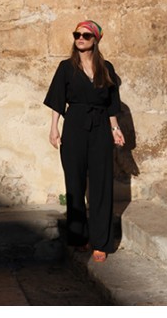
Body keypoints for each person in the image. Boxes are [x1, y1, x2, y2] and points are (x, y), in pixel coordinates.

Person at [43, 20, 125, 263]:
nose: (80, 38)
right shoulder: (66, 67)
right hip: (75, 126)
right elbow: (58, 99)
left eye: (86, 35)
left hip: (100, 128)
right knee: (75, 184)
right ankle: (79, 237)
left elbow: (111, 104)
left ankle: (101, 242)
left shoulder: (106, 68)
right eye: (77, 34)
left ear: (95, 40)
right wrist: (54, 128)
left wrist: (115, 129)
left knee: (101, 185)